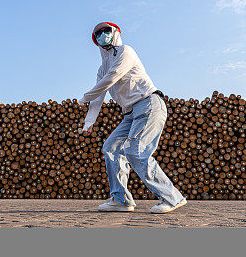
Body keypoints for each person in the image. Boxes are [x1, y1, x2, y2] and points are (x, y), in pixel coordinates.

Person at [78, 21, 187, 214]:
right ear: (96, 41)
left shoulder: (125, 52)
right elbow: (99, 95)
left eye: (106, 30)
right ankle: (121, 200)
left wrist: (85, 97)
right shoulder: (102, 68)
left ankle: (172, 197)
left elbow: (112, 78)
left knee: (136, 150)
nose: (103, 34)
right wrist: (89, 122)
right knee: (111, 148)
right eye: (98, 33)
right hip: (130, 114)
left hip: (149, 104)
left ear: (115, 33)